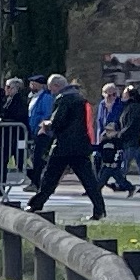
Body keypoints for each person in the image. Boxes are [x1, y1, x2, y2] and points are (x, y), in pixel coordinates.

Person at [26, 71, 107, 222]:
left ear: (57, 86)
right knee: (89, 180)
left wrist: (46, 124)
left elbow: (58, 120)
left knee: (50, 177)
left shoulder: (63, 98)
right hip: (80, 145)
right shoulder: (80, 98)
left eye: (51, 89)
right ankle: (99, 209)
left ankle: (36, 204)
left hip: (63, 146)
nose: (51, 92)